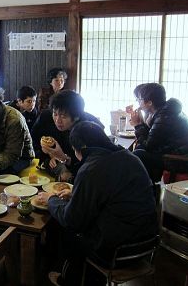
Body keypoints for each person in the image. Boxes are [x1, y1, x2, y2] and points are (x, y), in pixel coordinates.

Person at [36, 121, 158, 286]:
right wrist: (76, 194)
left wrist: (51, 199)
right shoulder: (130, 158)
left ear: (81, 148)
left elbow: (72, 219)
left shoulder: (92, 168)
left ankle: (69, 280)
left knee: (69, 232)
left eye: (74, 149)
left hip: (116, 252)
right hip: (147, 245)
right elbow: (113, 194)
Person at [129, 83, 188, 182]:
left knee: (139, 154)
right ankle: (150, 186)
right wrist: (142, 121)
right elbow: (153, 138)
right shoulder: (166, 111)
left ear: (149, 103)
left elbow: (149, 145)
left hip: (184, 161)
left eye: (139, 99)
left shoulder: (164, 116)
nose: (138, 102)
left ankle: (146, 187)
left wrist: (137, 125)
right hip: (180, 154)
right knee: (140, 149)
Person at [31, 90, 104, 181]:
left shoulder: (88, 128)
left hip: (81, 165)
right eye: (55, 114)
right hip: (52, 160)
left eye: (63, 116)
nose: (58, 120)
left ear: (76, 117)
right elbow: (32, 140)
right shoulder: (46, 117)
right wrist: (48, 155)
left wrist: (63, 157)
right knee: (60, 169)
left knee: (71, 176)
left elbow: (91, 163)